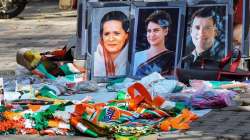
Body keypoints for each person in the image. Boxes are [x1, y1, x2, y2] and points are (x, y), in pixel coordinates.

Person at [133, 10, 175, 78]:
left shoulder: (173, 58)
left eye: (156, 30)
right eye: (149, 31)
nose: (152, 35)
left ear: (165, 31)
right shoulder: (136, 56)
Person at [94, 11, 129, 77]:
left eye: (116, 33)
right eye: (106, 34)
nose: (111, 39)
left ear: (126, 35)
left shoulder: (135, 59)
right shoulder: (94, 61)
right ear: (102, 36)